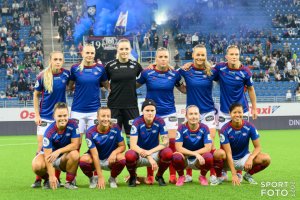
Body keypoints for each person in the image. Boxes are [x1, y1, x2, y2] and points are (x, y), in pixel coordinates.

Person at [137, 47, 186, 184]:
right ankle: (150, 175)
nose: (163, 59)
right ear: (156, 59)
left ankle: (171, 174)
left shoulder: (174, 74)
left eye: (165, 57)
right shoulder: (147, 73)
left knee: (170, 145)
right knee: (149, 143)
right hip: (151, 114)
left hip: (169, 113)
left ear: (168, 59)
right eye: (160, 57)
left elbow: (183, 89)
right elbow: (133, 85)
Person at [178, 44, 218, 182]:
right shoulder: (186, 70)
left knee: (210, 143)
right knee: (189, 143)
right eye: (198, 55)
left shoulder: (212, 71)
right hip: (192, 112)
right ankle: (188, 174)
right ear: (193, 55)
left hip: (208, 111)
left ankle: (210, 173)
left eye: (203, 55)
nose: (200, 57)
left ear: (205, 56)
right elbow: (171, 74)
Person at [31, 51, 70, 188]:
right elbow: (35, 95)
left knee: (58, 149)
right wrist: (36, 115)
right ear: (50, 60)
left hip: (60, 118)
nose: (58, 62)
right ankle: (39, 178)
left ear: (63, 61)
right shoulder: (42, 76)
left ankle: (54, 179)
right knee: (42, 148)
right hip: (45, 119)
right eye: (55, 59)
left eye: (60, 59)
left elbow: (71, 86)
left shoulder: (66, 74)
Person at [215, 103, 271, 185]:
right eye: (234, 112)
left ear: (243, 113)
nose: (237, 115)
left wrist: (250, 158)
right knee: (218, 153)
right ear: (230, 114)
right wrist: (233, 174)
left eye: (239, 112)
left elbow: (258, 147)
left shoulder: (250, 127)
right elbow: (228, 153)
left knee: (266, 158)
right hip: (229, 160)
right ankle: (220, 176)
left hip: (244, 159)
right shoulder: (224, 129)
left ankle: (248, 175)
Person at [31, 102, 80, 189]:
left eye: (65, 115)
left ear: (68, 115)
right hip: (50, 157)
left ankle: (69, 182)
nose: (63, 118)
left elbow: (76, 144)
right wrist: (52, 176)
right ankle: (48, 180)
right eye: (59, 116)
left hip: (63, 158)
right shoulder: (49, 132)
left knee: (75, 154)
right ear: (54, 116)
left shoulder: (73, 124)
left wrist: (59, 151)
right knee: (36, 165)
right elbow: (47, 157)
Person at [172, 105, 225, 186]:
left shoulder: (205, 128)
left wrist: (197, 155)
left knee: (209, 156)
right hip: (185, 158)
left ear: (199, 115)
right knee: (176, 156)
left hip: (199, 160)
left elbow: (208, 148)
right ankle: (181, 176)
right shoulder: (181, 128)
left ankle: (202, 176)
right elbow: (178, 148)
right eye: (191, 114)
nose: (193, 116)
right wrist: (195, 154)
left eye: (196, 114)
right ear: (186, 116)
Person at [125, 99, 173, 187]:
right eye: (147, 110)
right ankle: (133, 177)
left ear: (155, 111)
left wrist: (150, 152)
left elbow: (166, 142)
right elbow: (132, 145)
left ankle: (159, 176)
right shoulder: (136, 122)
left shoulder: (160, 121)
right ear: (142, 111)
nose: (150, 113)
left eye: (152, 110)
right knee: (129, 155)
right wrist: (149, 157)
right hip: (140, 153)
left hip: (154, 153)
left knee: (168, 152)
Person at [69, 44, 109, 139]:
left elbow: (107, 86)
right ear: (82, 53)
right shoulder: (75, 68)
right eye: (87, 52)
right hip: (77, 111)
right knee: (76, 143)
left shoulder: (100, 68)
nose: (89, 55)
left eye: (92, 53)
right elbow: (70, 86)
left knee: (95, 141)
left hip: (95, 111)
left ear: (94, 54)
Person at [79, 107, 126, 189]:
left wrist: (114, 153)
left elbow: (122, 146)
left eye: (108, 116)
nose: (106, 119)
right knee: (83, 160)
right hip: (95, 159)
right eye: (103, 116)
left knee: (121, 158)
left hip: (110, 160)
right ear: (97, 117)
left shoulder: (116, 128)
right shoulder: (90, 132)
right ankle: (92, 179)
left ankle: (112, 178)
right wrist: (100, 176)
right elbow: (95, 155)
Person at [214, 45, 258, 129]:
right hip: (225, 110)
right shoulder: (220, 67)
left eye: (236, 54)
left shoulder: (245, 71)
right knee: (223, 139)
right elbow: (206, 68)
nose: (234, 57)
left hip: (241, 110)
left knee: (242, 139)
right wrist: (190, 63)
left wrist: (254, 108)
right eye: (231, 54)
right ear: (226, 56)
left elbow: (251, 90)